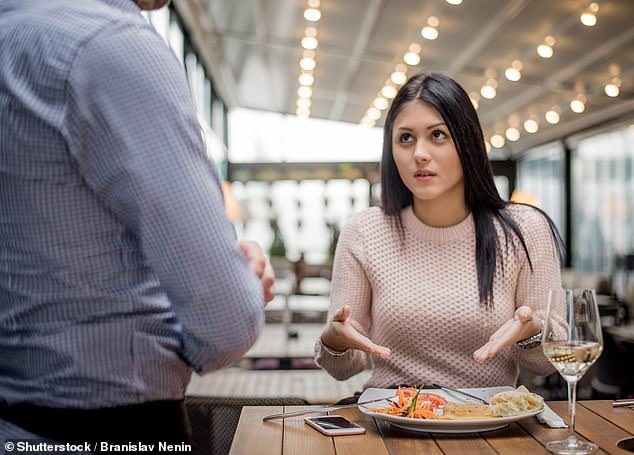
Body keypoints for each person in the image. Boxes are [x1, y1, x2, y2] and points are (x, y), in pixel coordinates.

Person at [0, 0, 274, 446]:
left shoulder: (14, 30)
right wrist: (242, 284)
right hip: (117, 427)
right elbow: (224, 325)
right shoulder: (109, 45)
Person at [314, 72, 567, 391]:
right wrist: (334, 342)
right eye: (406, 138)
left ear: (467, 141)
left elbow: (548, 364)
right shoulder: (365, 231)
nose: (419, 152)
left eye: (438, 135)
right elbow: (343, 368)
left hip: (490, 425)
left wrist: (532, 330)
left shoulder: (524, 229)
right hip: (392, 423)